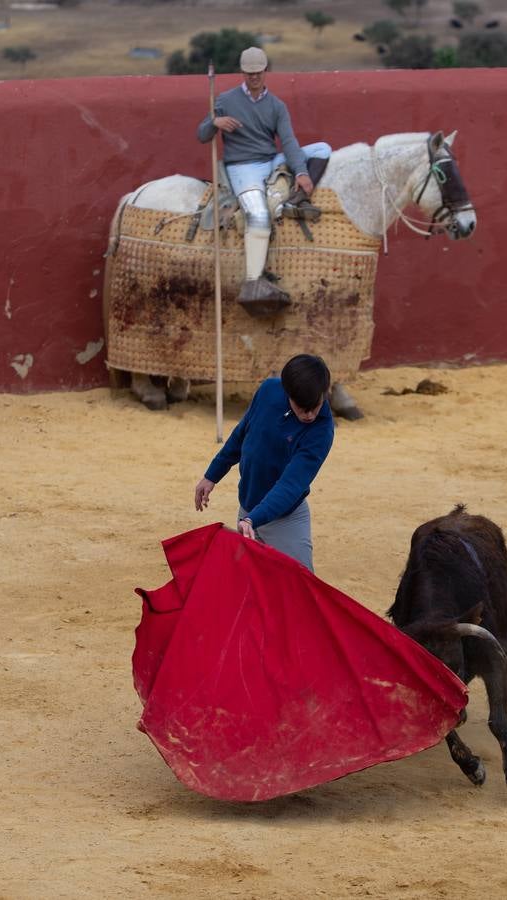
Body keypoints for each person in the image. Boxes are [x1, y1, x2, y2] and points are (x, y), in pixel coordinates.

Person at [197, 46, 332, 316]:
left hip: (270, 160)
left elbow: (290, 141)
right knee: (258, 215)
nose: (254, 77)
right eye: (249, 73)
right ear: (242, 72)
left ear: (265, 71)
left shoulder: (277, 106)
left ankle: (299, 196)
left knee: (323, 149)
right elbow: (201, 134)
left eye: (258, 72)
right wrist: (216, 122)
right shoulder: (225, 99)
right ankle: (252, 282)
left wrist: (302, 172)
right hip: (241, 166)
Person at [194, 354, 334, 572]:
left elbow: (291, 485)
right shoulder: (269, 390)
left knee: (300, 590)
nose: (309, 415)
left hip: (285, 521)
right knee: (248, 591)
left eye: (314, 406)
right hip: (247, 512)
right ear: (288, 394)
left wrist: (252, 519)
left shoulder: (322, 431)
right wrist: (212, 474)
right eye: (301, 407)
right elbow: (242, 434)